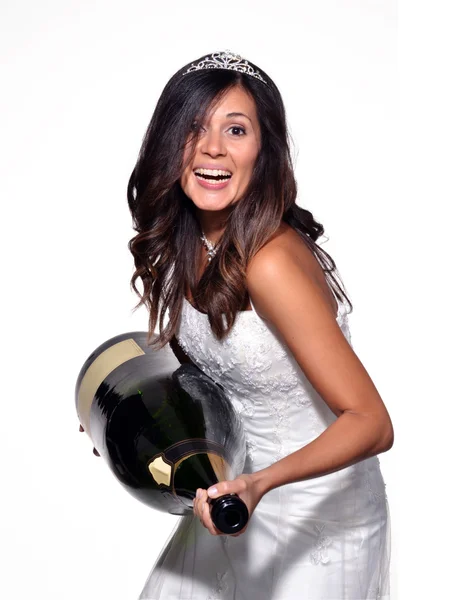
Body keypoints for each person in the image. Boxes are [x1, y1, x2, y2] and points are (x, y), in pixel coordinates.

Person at [83, 50, 394, 599]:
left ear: (264, 150)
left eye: (236, 129)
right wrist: (126, 425)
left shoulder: (270, 262)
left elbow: (372, 422)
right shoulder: (189, 246)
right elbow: (199, 375)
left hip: (310, 514)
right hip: (230, 499)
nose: (212, 149)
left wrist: (258, 484)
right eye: (194, 129)